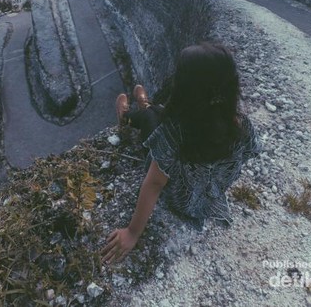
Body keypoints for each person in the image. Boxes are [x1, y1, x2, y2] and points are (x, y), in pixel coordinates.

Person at [102, 43, 260, 264]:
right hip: (209, 196)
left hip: (181, 198)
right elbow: (249, 153)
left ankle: (129, 116)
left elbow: (154, 184)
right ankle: (146, 104)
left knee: (151, 121)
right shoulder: (243, 126)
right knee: (160, 115)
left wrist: (132, 232)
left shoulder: (173, 134)